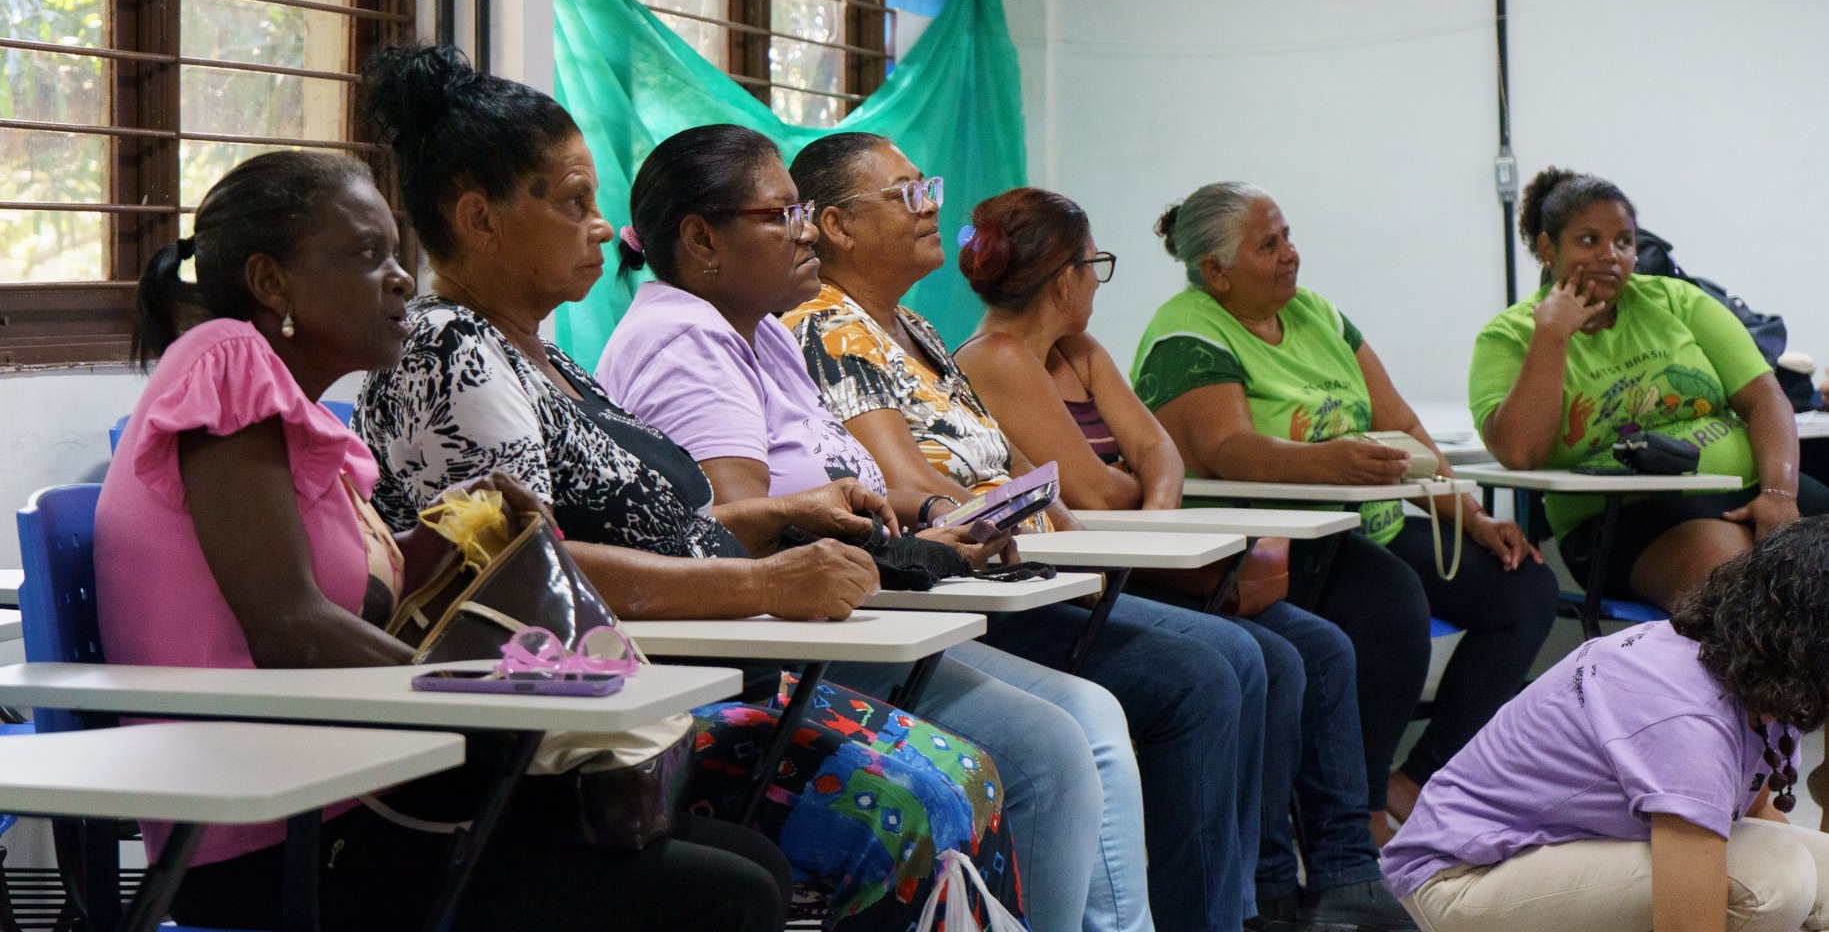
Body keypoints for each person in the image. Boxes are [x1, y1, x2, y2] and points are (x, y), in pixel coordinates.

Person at [350, 45, 1060, 929]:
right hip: (581, 740)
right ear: (479, 219)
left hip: (680, 685)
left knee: (965, 776)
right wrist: (762, 583)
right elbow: (522, 580)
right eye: (573, 203)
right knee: (924, 803)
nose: (604, 230)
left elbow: (662, 523)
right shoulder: (452, 350)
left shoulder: (546, 356)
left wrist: (778, 517)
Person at [95, 150, 792, 932]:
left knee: (741, 860)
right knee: (726, 894)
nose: (399, 279)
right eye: (366, 256)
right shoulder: (227, 363)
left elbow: (336, 596)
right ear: (271, 283)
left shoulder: (295, 416)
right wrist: (504, 705)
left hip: (354, 790)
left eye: (396, 253)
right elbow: (289, 627)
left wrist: (439, 535)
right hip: (267, 834)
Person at [594, 124, 1135, 932]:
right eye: (779, 215)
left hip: (856, 610)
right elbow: (729, 539)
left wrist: (922, 541)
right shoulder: (687, 339)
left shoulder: (766, 332)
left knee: (1085, 721)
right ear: (702, 239)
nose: (803, 229)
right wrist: (911, 543)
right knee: (1050, 749)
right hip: (776, 647)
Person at [784, 132, 1285, 932]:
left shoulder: (910, 327)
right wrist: (1034, 516)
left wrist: (1072, 523)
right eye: (908, 193)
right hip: (963, 589)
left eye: (930, 185)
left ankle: (1245, 908)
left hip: (1024, 567)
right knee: (1199, 675)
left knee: (1249, 656)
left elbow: (1031, 477)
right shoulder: (824, 325)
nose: (933, 206)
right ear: (836, 226)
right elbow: (906, 488)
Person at [953, 186, 1409, 929]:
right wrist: (1145, 506)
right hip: (1081, 581)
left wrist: (1154, 519)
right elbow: (1096, 489)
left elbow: (1157, 452)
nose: (1095, 285)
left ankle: (1334, 874)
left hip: (1143, 559)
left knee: (1318, 650)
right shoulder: (998, 359)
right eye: (1091, 266)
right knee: (1249, 659)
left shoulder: (1079, 351)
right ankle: (1245, 894)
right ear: (1064, 276)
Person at [1131, 182, 1559, 843]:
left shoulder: (1317, 315)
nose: (1290, 255)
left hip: (1364, 528)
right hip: (1267, 546)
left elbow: (1401, 426)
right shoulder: (1185, 332)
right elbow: (1224, 449)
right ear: (1215, 271)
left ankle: (1416, 779)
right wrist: (1323, 462)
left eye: (1288, 236)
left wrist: (1468, 516)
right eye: (1267, 245)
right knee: (1391, 601)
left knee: (1521, 584)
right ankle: (1351, 819)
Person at [1382, 516, 1829, 932]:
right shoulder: (1690, 719)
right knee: (1775, 882)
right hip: (1457, 878)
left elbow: (1753, 813)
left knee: (1819, 874)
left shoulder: (1756, 666)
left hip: (1550, 851)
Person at [1472, 167, 1829, 614]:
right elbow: (1520, 452)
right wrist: (1552, 335)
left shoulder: (1677, 301)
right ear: (1548, 248)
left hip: (1750, 488)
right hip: (1624, 516)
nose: (1610, 255)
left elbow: (1763, 397)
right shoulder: (1508, 336)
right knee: (1742, 595)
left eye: (1624, 242)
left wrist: (1779, 495)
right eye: (1588, 241)